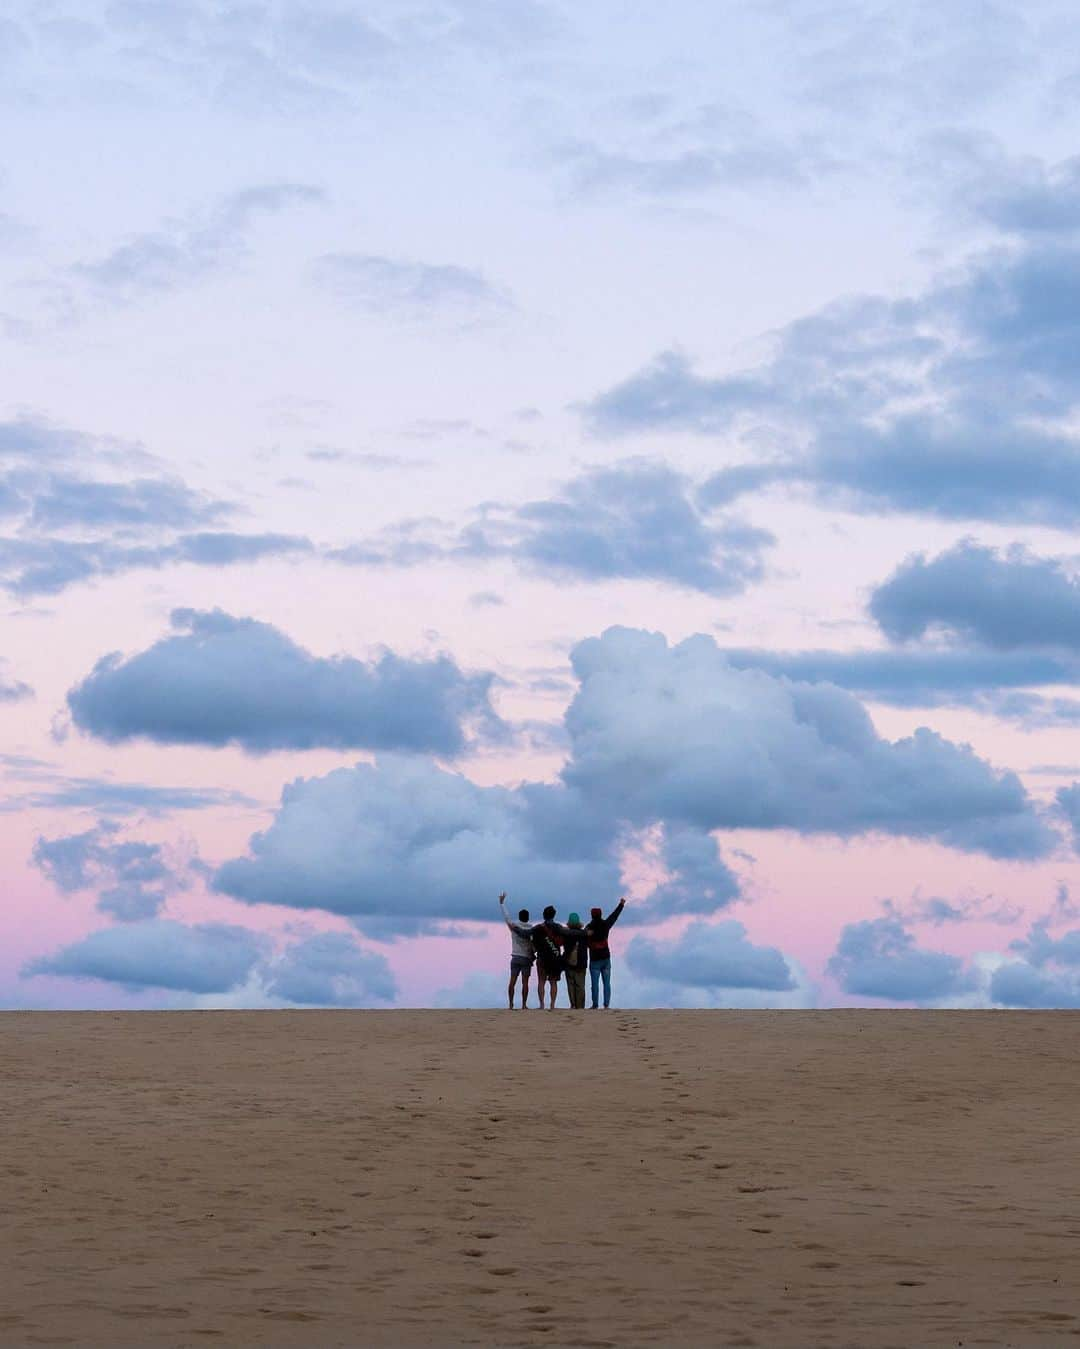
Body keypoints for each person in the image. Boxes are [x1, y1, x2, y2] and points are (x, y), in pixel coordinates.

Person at [586, 897, 626, 1009]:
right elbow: (614, 916)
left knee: (594, 984)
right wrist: (621, 905)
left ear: (592, 915)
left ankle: (595, 1004)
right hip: (605, 957)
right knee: (607, 983)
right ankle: (606, 1004)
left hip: (594, 959)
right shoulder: (605, 924)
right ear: (600, 914)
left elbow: (583, 938)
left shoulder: (589, 927)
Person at [499, 893, 535, 1009]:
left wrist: (502, 903)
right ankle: (524, 1005)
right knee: (525, 983)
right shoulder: (531, 929)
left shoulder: (514, 927)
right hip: (526, 958)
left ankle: (510, 1004)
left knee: (512, 981)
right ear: (528, 917)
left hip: (515, 957)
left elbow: (507, 917)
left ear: (519, 917)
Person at [532, 905, 566, 1010]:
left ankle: (542, 1004)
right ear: (554, 915)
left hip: (542, 957)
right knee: (553, 982)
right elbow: (563, 940)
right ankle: (552, 1005)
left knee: (541, 981)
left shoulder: (538, 928)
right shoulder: (558, 927)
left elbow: (534, 944)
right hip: (555, 958)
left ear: (544, 915)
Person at [561, 912, 589, 1009]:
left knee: (571, 984)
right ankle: (580, 1006)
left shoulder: (566, 934)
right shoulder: (584, 934)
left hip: (569, 962)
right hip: (581, 962)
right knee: (580, 985)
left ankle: (573, 1004)